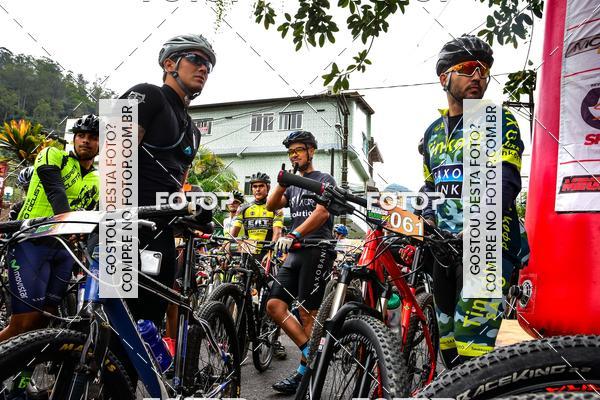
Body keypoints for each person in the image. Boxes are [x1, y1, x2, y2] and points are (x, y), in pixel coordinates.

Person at [421, 35, 524, 368]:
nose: (478, 76)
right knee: (449, 346)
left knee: (474, 351)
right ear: (444, 78)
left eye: (483, 69)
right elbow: (430, 185)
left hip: (486, 245)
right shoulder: (432, 132)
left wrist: (479, 225)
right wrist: (425, 217)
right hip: (444, 248)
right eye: (467, 68)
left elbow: (507, 182)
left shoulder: (497, 119)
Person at [119, 34, 216, 328]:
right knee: (114, 319)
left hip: (160, 231)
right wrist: (113, 224)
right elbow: (112, 158)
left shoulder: (194, 130)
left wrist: (191, 210)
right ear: (169, 64)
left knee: (147, 321)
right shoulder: (145, 94)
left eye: (209, 65)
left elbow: (177, 185)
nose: (204, 68)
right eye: (196, 59)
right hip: (123, 224)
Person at [0, 114, 100, 343]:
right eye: (81, 135)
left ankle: (25, 368)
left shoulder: (98, 179)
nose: (86, 140)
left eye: (93, 137)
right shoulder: (53, 155)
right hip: (31, 243)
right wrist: (71, 226)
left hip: (64, 251)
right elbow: (56, 192)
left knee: (45, 320)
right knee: (22, 324)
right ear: (74, 139)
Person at [266, 130, 336, 394]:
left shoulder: (324, 179)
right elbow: (272, 205)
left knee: (308, 313)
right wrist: (283, 182)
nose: (294, 155)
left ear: (311, 151)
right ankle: (312, 356)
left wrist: (294, 233)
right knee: (274, 305)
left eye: (298, 150)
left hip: (316, 248)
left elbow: (322, 213)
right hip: (294, 251)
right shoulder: (294, 183)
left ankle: (304, 377)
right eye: (291, 152)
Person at [229, 172, 287, 360]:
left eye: (261, 186)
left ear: (268, 188)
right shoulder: (244, 208)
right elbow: (233, 233)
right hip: (248, 256)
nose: (257, 189)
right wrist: (225, 245)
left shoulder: (275, 207)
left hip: (267, 256)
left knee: (271, 298)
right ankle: (240, 334)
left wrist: (273, 247)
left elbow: (277, 232)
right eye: (254, 186)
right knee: (243, 295)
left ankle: (276, 340)